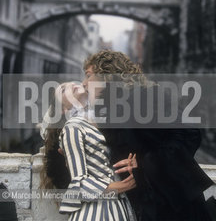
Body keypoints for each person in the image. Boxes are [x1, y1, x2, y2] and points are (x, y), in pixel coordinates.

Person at [81, 50, 214, 221]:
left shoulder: (145, 96)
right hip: (145, 207)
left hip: (175, 205)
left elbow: (189, 134)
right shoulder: (109, 111)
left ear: (106, 75)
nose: (84, 83)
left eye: (88, 76)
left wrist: (144, 163)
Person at [40, 81, 137, 220]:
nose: (71, 84)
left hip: (117, 205)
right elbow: (79, 185)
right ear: (62, 109)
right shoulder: (72, 128)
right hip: (94, 211)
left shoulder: (103, 122)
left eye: (72, 82)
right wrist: (122, 186)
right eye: (62, 90)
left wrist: (132, 162)